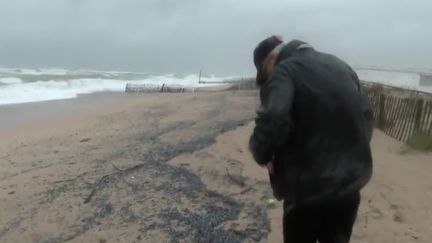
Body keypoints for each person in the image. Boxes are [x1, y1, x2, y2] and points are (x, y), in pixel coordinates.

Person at [249, 35, 374, 243]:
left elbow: (274, 117)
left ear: (271, 59)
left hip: (306, 192)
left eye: (264, 73)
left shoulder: (285, 70)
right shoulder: (341, 66)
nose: (267, 80)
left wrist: (262, 153)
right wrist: (352, 151)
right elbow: (366, 116)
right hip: (348, 188)